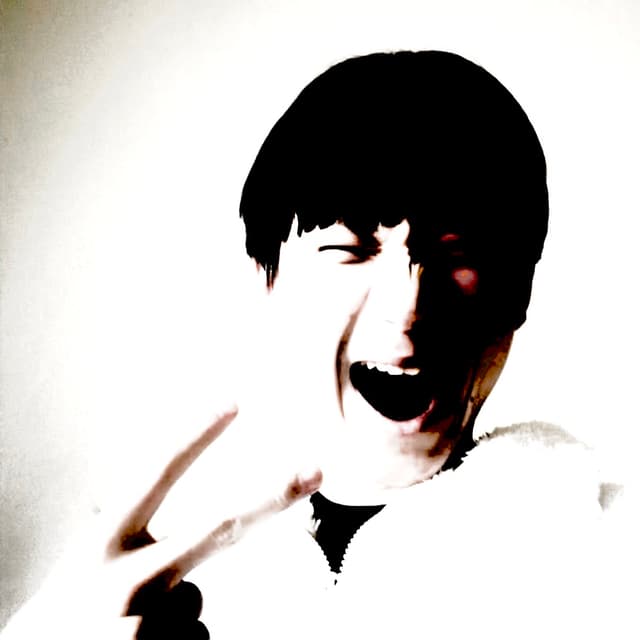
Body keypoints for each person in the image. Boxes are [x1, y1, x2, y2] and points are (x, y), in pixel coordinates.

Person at [1, 51, 631, 640]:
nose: (408, 305)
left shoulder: (614, 556)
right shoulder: (137, 575)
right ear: (268, 283)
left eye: (457, 254)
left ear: (518, 294)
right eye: (349, 250)